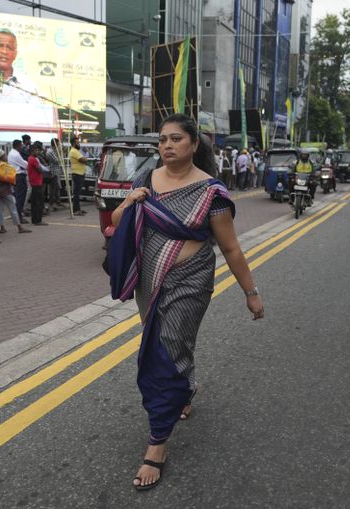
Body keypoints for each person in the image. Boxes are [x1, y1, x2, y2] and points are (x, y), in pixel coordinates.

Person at [110, 113, 263, 490]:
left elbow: (230, 247)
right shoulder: (146, 181)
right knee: (171, 342)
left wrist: (251, 292)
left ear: (194, 144)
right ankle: (186, 387)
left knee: (167, 347)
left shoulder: (211, 192)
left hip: (191, 280)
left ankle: (157, 443)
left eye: (176, 139)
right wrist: (130, 201)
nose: (167, 145)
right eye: (162, 140)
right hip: (150, 279)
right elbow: (114, 224)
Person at [0, 149, 31, 233]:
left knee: (0, 209)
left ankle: (2, 227)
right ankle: (19, 227)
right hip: (5, 190)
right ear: (2, 156)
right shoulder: (3, 165)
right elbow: (8, 178)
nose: (6, 156)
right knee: (13, 208)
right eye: (5, 155)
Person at [26, 144, 48, 226]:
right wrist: (45, 171)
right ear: (32, 151)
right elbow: (40, 169)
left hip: (34, 181)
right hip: (36, 182)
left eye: (38, 150)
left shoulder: (30, 158)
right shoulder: (33, 159)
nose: (37, 152)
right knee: (39, 201)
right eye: (36, 150)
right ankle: (38, 220)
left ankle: (34, 219)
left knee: (34, 202)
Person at [8, 139, 29, 222]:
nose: (22, 147)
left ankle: (18, 216)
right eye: (21, 145)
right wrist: (24, 164)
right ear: (17, 146)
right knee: (20, 198)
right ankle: (19, 218)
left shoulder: (11, 153)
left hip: (16, 175)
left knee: (18, 197)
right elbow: (25, 165)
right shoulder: (16, 155)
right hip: (19, 176)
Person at [68, 137, 88, 216]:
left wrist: (85, 159)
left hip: (79, 173)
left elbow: (84, 159)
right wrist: (85, 159)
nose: (79, 144)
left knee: (78, 193)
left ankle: (78, 209)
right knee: (76, 193)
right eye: (77, 142)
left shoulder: (76, 151)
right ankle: (76, 210)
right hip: (77, 174)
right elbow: (84, 160)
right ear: (73, 144)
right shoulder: (74, 151)